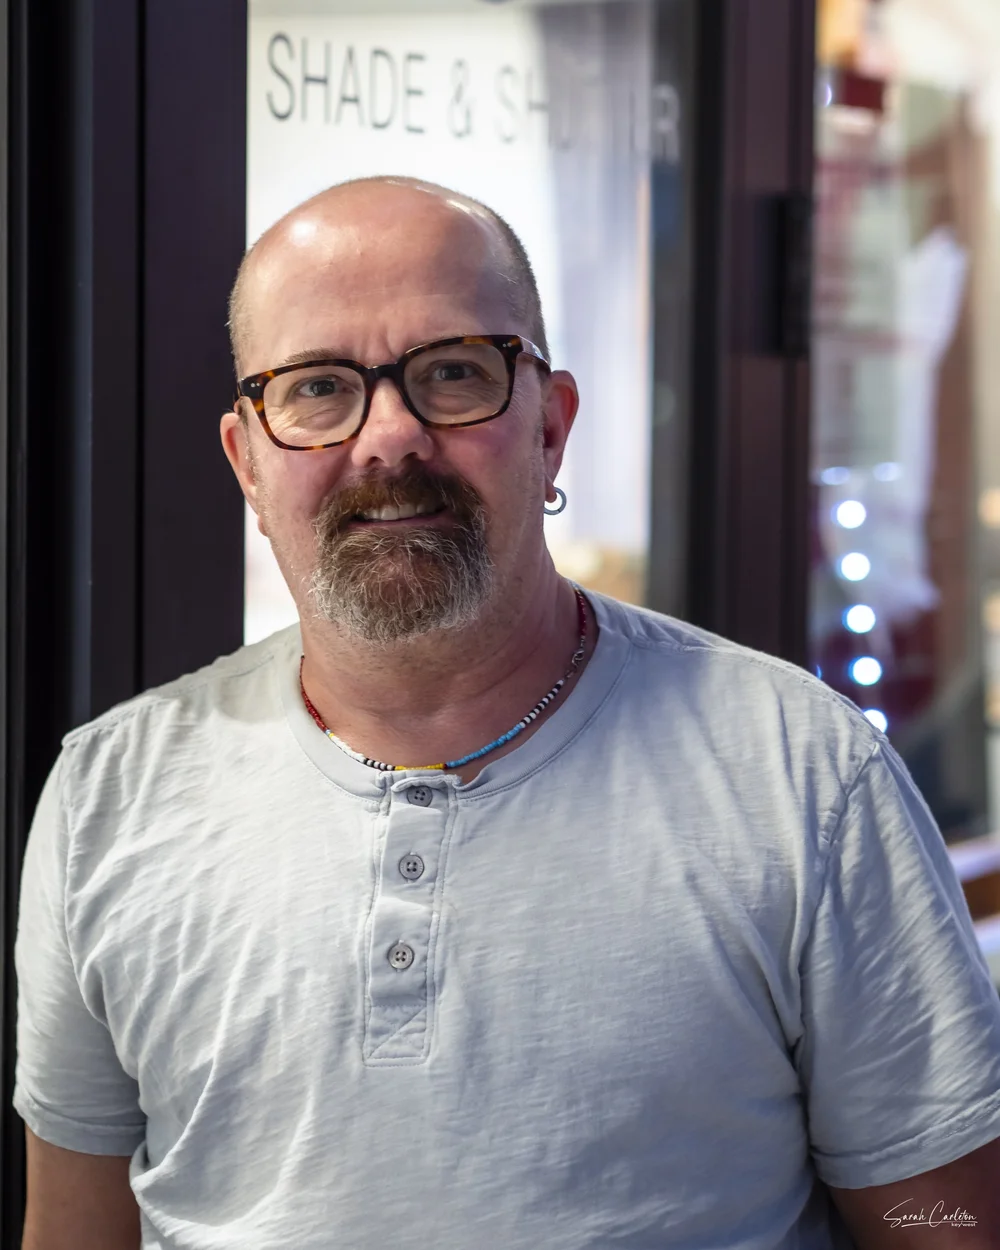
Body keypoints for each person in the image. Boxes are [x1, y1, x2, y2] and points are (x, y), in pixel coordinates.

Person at [14, 176, 1000, 1250]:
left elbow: (946, 1221)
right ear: (248, 460)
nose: (389, 438)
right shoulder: (109, 796)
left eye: (452, 372)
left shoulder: (802, 774)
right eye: (317, 388)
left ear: (551, 426)